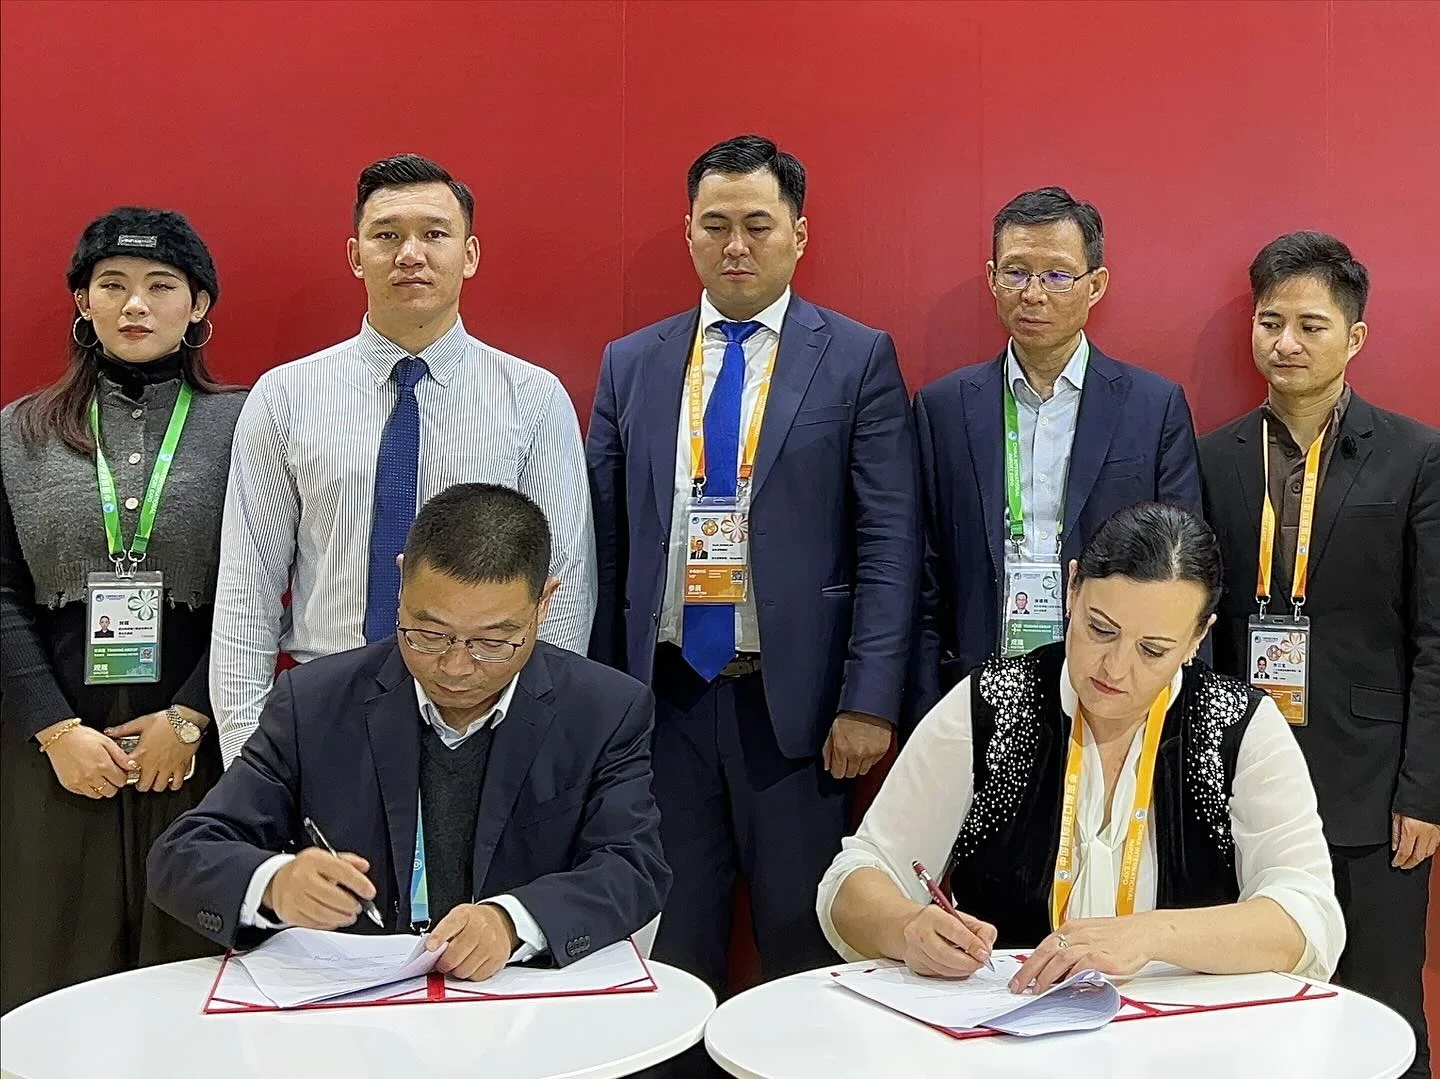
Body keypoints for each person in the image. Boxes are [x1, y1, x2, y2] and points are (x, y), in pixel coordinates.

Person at [587, 135, 919, 997]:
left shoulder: (856, 357)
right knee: (667, 952)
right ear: (689, 232)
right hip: (664, 703)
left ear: (798, 235)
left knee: (805, 949)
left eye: (758, 225)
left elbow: (890, 542)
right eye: (716, 224)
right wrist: (602, 700)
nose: (736, 244)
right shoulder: (632, 363)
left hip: (799, 714)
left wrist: (868, 699)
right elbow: (606, 545)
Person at [819, 502, 1343, 993]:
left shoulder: (1238, 726)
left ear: (1196, 639)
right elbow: (855, 879)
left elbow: (1308, 917)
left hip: (1182, 1035)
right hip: (1008, 1025)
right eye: (1100, 629)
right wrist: (907, 927)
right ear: (1072, 588)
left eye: (1152, 650)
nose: (1115, 668)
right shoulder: (994, 704)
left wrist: (1149, 936)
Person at [149, 484, 668, 975]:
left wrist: (513, 922)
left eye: (493, 642)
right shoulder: (315, 703)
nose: (456, 667)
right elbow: (183, 855)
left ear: (544, 602)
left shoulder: (603, 710)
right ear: (400, 584)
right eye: (429, 633)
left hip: (520, 997)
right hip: (355, 1001)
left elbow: (633, 866)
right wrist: (273, 884)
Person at [210, 153, 596, 767]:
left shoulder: (532, 397)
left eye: (434, 234)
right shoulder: (285, 396)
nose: (410, 254)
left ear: (469, 254)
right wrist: (246, 756)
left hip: (483, 710)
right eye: (387, 236)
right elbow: (246, 588)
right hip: (326, 705)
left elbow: (563, 584)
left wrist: (536, 736)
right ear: (355, 255)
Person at [1200, 231, 1438, 1077]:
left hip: (1373, 790)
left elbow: (1435, 636)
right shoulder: (1212, 456)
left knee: (1383, 1010)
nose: (1287, 343)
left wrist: (1424, 791)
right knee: (1249, 1014)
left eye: (1311, 324)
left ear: (1355, 336)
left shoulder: (1416, 456)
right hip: (1242, 779)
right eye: (1271, 322)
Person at [0, 207, 246, 1012]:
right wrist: (55, 731)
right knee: (53, 965)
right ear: (84, 301)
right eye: (112, 285)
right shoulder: (18, 432)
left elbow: (263, 585)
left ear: (198, 305)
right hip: (55, 744)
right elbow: (1, 593)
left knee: (188, 966)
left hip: (195, 737)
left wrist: (191, 716)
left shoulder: (248, 423)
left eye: (161, 286)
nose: (135, 304)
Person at [910, 187, 1202, 729]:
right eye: (1016, 273)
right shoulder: (943, 408)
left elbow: (1184, 568)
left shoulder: (1153, 407)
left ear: (1096, 284)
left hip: (1116, 688)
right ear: (992, 278)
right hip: (975, 685)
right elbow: (924, 570)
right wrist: (924, 704)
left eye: (1057, 276)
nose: (1033, 294)